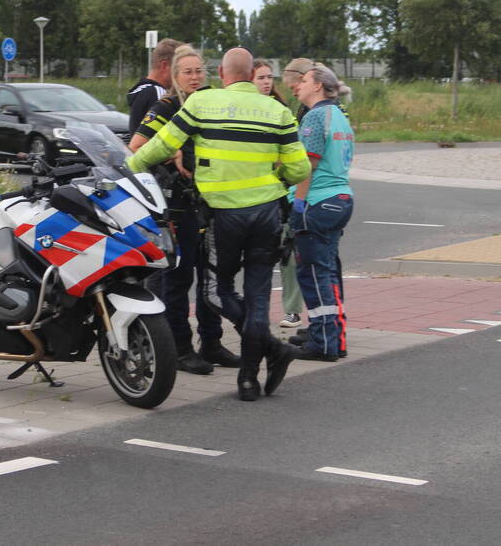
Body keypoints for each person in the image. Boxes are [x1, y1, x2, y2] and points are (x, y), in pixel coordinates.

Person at [126, 48, 311, 402]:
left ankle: (269, 351)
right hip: (267, 214)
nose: (197, 77)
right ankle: (248, 378)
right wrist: (275, 177)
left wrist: (131, 169)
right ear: (251, 74)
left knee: (215, 291)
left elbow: (154, 147)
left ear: (222, 75)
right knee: (257, 296)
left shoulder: (202, 105)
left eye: (202, 71)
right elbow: (300, 170)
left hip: (221, 216)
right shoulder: (278, 110)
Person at [130, 45, 239, 375]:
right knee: (178, 280)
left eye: (198, 71)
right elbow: (135, 148)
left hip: (211, 202)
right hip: (177, 205)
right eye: (187, 72)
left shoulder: (212, 102)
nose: (194, 77)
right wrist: (173, 152)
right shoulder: (165, 106)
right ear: (174, 76)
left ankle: (213, 343)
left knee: (213, 276)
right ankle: (179, 349)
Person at [288, 65, 355, 361]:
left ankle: (322, 343)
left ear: (317, 86)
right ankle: (334, 339)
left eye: (303, 81)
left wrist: (298, 205)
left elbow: (307, 166)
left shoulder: (315, 117)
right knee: (327, 272)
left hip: (317, 201)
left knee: (313, 274)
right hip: (340, 199)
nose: (298, 86)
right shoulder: (339, 116)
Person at [253, 58, 306, 329]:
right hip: (248, 194)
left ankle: (292, 309)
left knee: (287, 252)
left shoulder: (281, 110)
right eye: (260, 77)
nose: (266, 82)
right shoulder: (240, 109)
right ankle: (254, 312)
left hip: (279, 191)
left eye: (268, 77)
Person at [126, 38, 184, 134]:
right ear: (165, 65)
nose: (179, 74)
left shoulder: (142, 89)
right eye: (177, 68)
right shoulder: (158, 93)